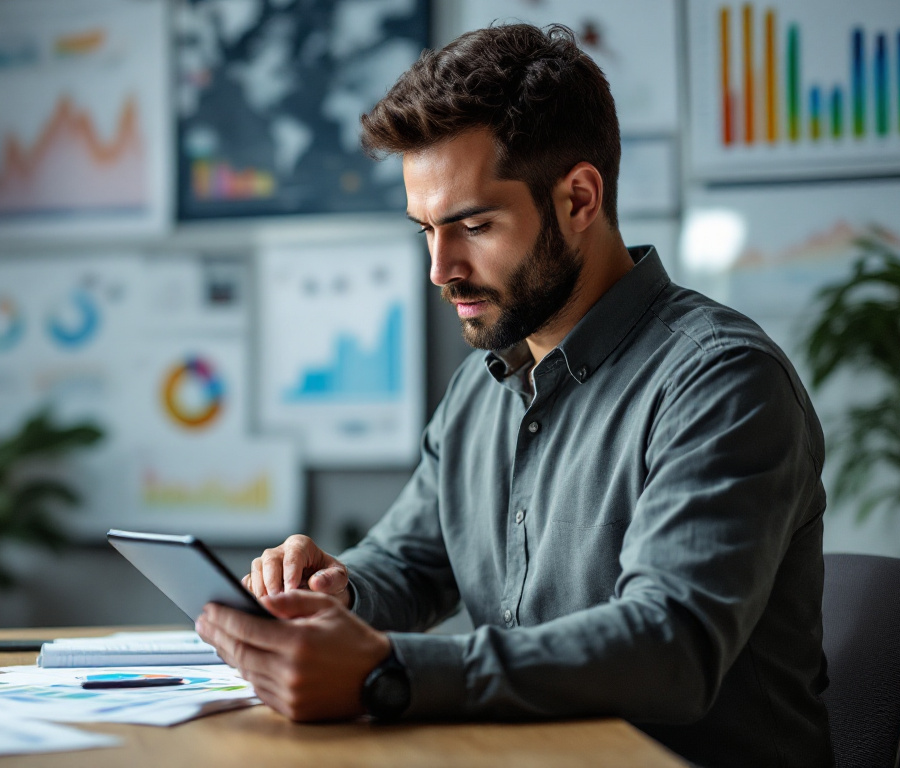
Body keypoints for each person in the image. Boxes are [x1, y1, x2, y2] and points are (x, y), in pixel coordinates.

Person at [193, 23, 832, 768]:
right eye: (426, 230)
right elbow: (410, 563)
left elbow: (670, 646)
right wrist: (331, 591)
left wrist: (386, 673)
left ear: (580, 199)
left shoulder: (720, 381)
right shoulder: (483, 385)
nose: (440, 269)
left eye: (473, 225)